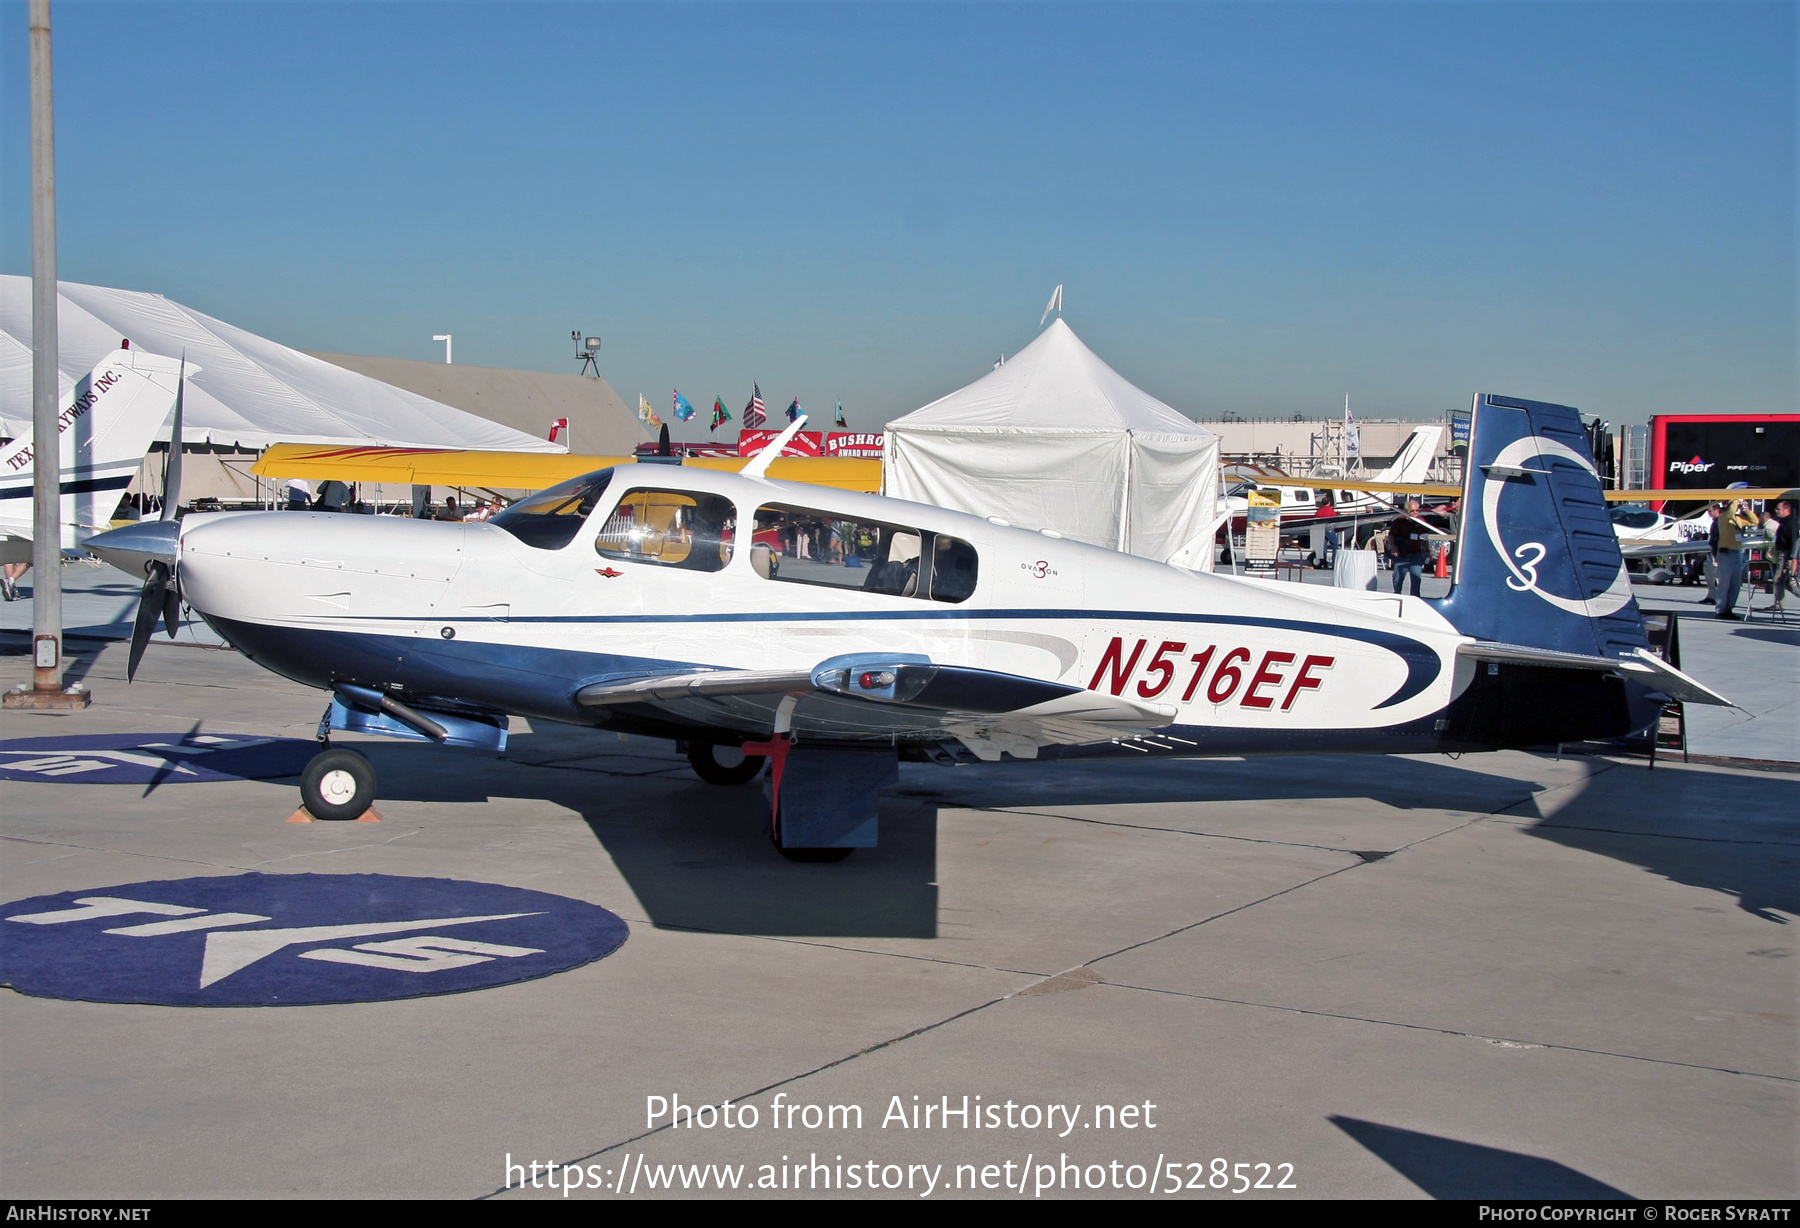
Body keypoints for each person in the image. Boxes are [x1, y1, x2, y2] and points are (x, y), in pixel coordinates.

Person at [1708, 499, 1754, 619]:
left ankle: (1729, 608)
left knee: (1735, 583)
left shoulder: (1737, 519)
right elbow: (1730, 512)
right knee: (1725, 583)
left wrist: (1746, 509)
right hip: (1725, 553)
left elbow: (1754, 521)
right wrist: (1736, 500)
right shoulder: (1722, 518)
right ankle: (1720, 610)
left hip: (1737, 552)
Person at [1387, 498, 1430, 596]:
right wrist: (1393, 548)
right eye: (1412, 511)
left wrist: (1428, 552)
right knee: (1397, 580)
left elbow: (1425, 538)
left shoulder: (1421, 521)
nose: (1415, 513)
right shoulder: (1399, 521)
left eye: (1417, 510)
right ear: (1407, 511)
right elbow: (1391, 535)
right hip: (1402, 555)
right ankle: (1397, 596)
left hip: (1415, 554)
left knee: (1416, 579)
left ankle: (1415, 598)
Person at [1769, 499, 1798, 612]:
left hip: (1786, 553)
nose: (1776, 511)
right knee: (1783, 581)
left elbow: (1794, 540)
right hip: (1782, 552)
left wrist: (1792, 557)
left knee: (1780, 579)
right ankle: (1779, 602)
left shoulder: (1791, 522)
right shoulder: (1783, 522)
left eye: (1778, 509)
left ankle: (1779, 603)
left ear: (1787, 509)